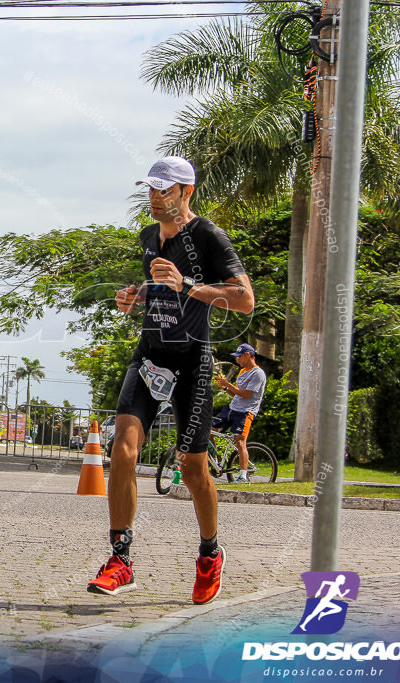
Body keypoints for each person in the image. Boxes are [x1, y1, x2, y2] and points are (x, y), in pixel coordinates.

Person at [88, 156, 254, 605]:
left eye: (165, 189)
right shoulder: (148, 238)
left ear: (187, 192)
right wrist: (134, 296)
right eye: (151, 188)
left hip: (192, 363)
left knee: (192, 467)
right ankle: (120, 560)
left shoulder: (208, 237)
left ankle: (209, 553)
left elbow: (244, 300)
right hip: (150, 356)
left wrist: (187, 286)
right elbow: (154, 287)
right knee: (122, 451)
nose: (155, 197)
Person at [213, 342, 267, 483]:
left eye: (239, 357)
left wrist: (228, 384)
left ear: (247, 355)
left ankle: (243, 475)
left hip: (245, 412)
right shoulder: (242, 372)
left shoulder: (258, 373)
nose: (237, 360)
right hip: (232, 408)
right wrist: (224, 388)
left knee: (240, 441)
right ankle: (215, 460)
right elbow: (236, 394)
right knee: (209, 430)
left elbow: (246, 394)